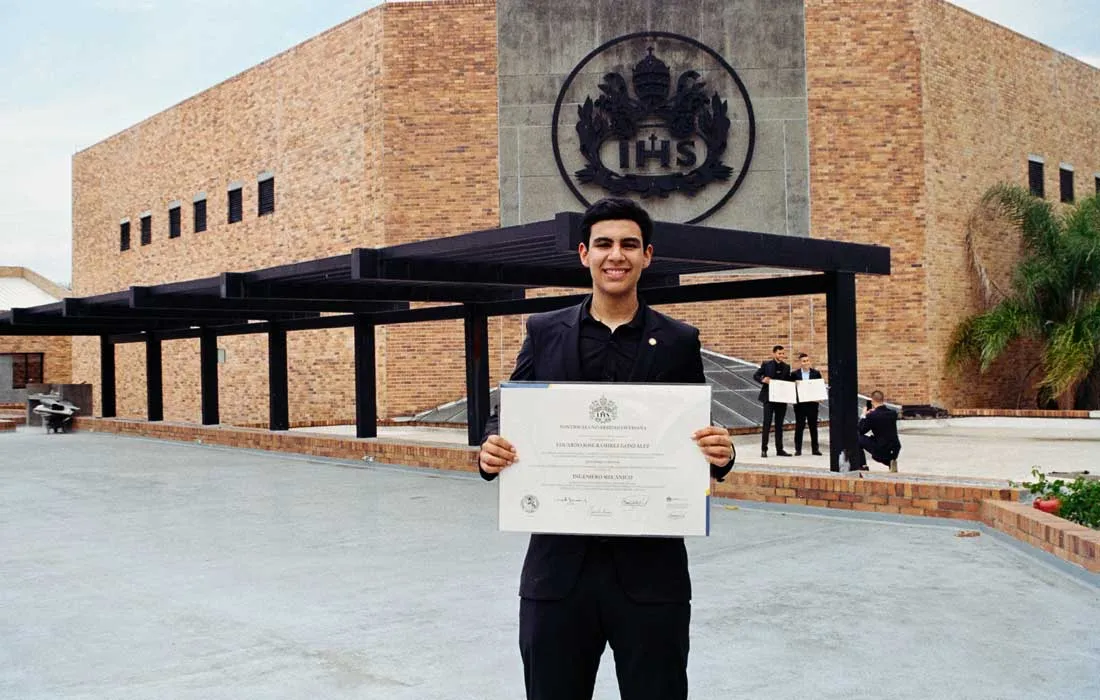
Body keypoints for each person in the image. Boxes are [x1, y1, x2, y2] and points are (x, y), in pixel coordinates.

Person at [478, 196, 734, 700]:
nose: (615, 255)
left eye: (628, 245)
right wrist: (490, 451)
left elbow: (700, 432)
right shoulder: (545, 331)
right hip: (558, 574)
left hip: (650, 577)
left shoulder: (679, 341)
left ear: (646, 256)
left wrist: (723, 454)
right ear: (584, 254)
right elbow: (510, 413)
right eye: (604, 244)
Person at [753, 344, 792, 458]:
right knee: (767, 424)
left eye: (783, 353)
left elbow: (788, 380)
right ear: (774, 354)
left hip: (781, 399)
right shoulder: (766, 365)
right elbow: (756, 375)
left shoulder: (786, 367)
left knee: (779, 425)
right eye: (779, 353)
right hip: (769, 398)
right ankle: (764, 449)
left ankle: (780, 450)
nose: (781, 355)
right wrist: (762, 379)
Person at [858, 390, 901, 472]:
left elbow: (860, 430)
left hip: (881, 449)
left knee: (856, 438)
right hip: (894, 449)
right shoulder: (893, 413)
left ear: (872, 401)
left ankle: (862, 465)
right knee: (883, 441)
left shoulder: (872, 416)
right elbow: (882, 419)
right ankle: (890, 462)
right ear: (882, 400)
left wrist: (864, 415)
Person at [793, 352, 823, 456]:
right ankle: (798, 449)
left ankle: (815, 449)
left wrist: (820, 398)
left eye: (807, 361)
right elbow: (791, 388)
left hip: (812, 404)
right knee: (799, 427)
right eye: (803, 361)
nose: (806, 363)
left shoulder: (816, 373)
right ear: (800, 362)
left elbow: (819, 387)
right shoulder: (795, 374)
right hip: (800, 405)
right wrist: (795, 384)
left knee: (813, 427)